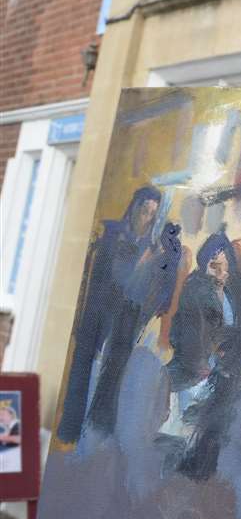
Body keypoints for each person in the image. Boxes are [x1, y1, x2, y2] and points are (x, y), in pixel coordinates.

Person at [58, 187, 181, 445]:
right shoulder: (113, 237)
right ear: (133, 208)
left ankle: (97, 431)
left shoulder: (154, 248)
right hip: (96, 313)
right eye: (142, 209)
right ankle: (70, 430)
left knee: (113, 374)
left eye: (151, 213)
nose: (145, 216)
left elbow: (157, 290)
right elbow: (106, 279)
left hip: (127, 319)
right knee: (82, 370)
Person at [170, 232, 241, 482]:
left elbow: (240, 325)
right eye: (215, 265)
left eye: (225, 266)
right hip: (200, 368)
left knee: (217, 424)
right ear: (205, 262)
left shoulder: (229, 292)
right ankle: (187, 470)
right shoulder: (196, 288)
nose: (221, 272)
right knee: (194, 426)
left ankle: (201, 469)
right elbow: (197, 334)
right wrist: (214, 353)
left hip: (223, 369)